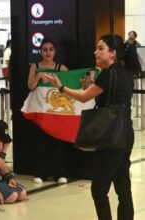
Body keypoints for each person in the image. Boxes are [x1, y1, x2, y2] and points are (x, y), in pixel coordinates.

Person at [43, 34, 141, 220]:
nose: (95, 51)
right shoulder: (126, 72)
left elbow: (84, 97)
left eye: (101, 48)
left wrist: (60, 87)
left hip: (110, 134)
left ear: (113, 53)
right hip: (126, 132)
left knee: (98, 189)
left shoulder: (107, 74)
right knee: (123, 186)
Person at [27, 38, 68, 184]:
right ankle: (40, 173)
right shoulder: (35, 66)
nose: (48, 52)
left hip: (55, 112)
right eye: (45, 49)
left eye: (51, 49)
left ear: (55, 51)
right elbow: (30, 86)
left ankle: (59, 173)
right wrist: (39, 76)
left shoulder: (61, 68)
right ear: (40, 52)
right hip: (39, 111)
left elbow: (68, 90)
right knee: (39, 144)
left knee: (56, 143)